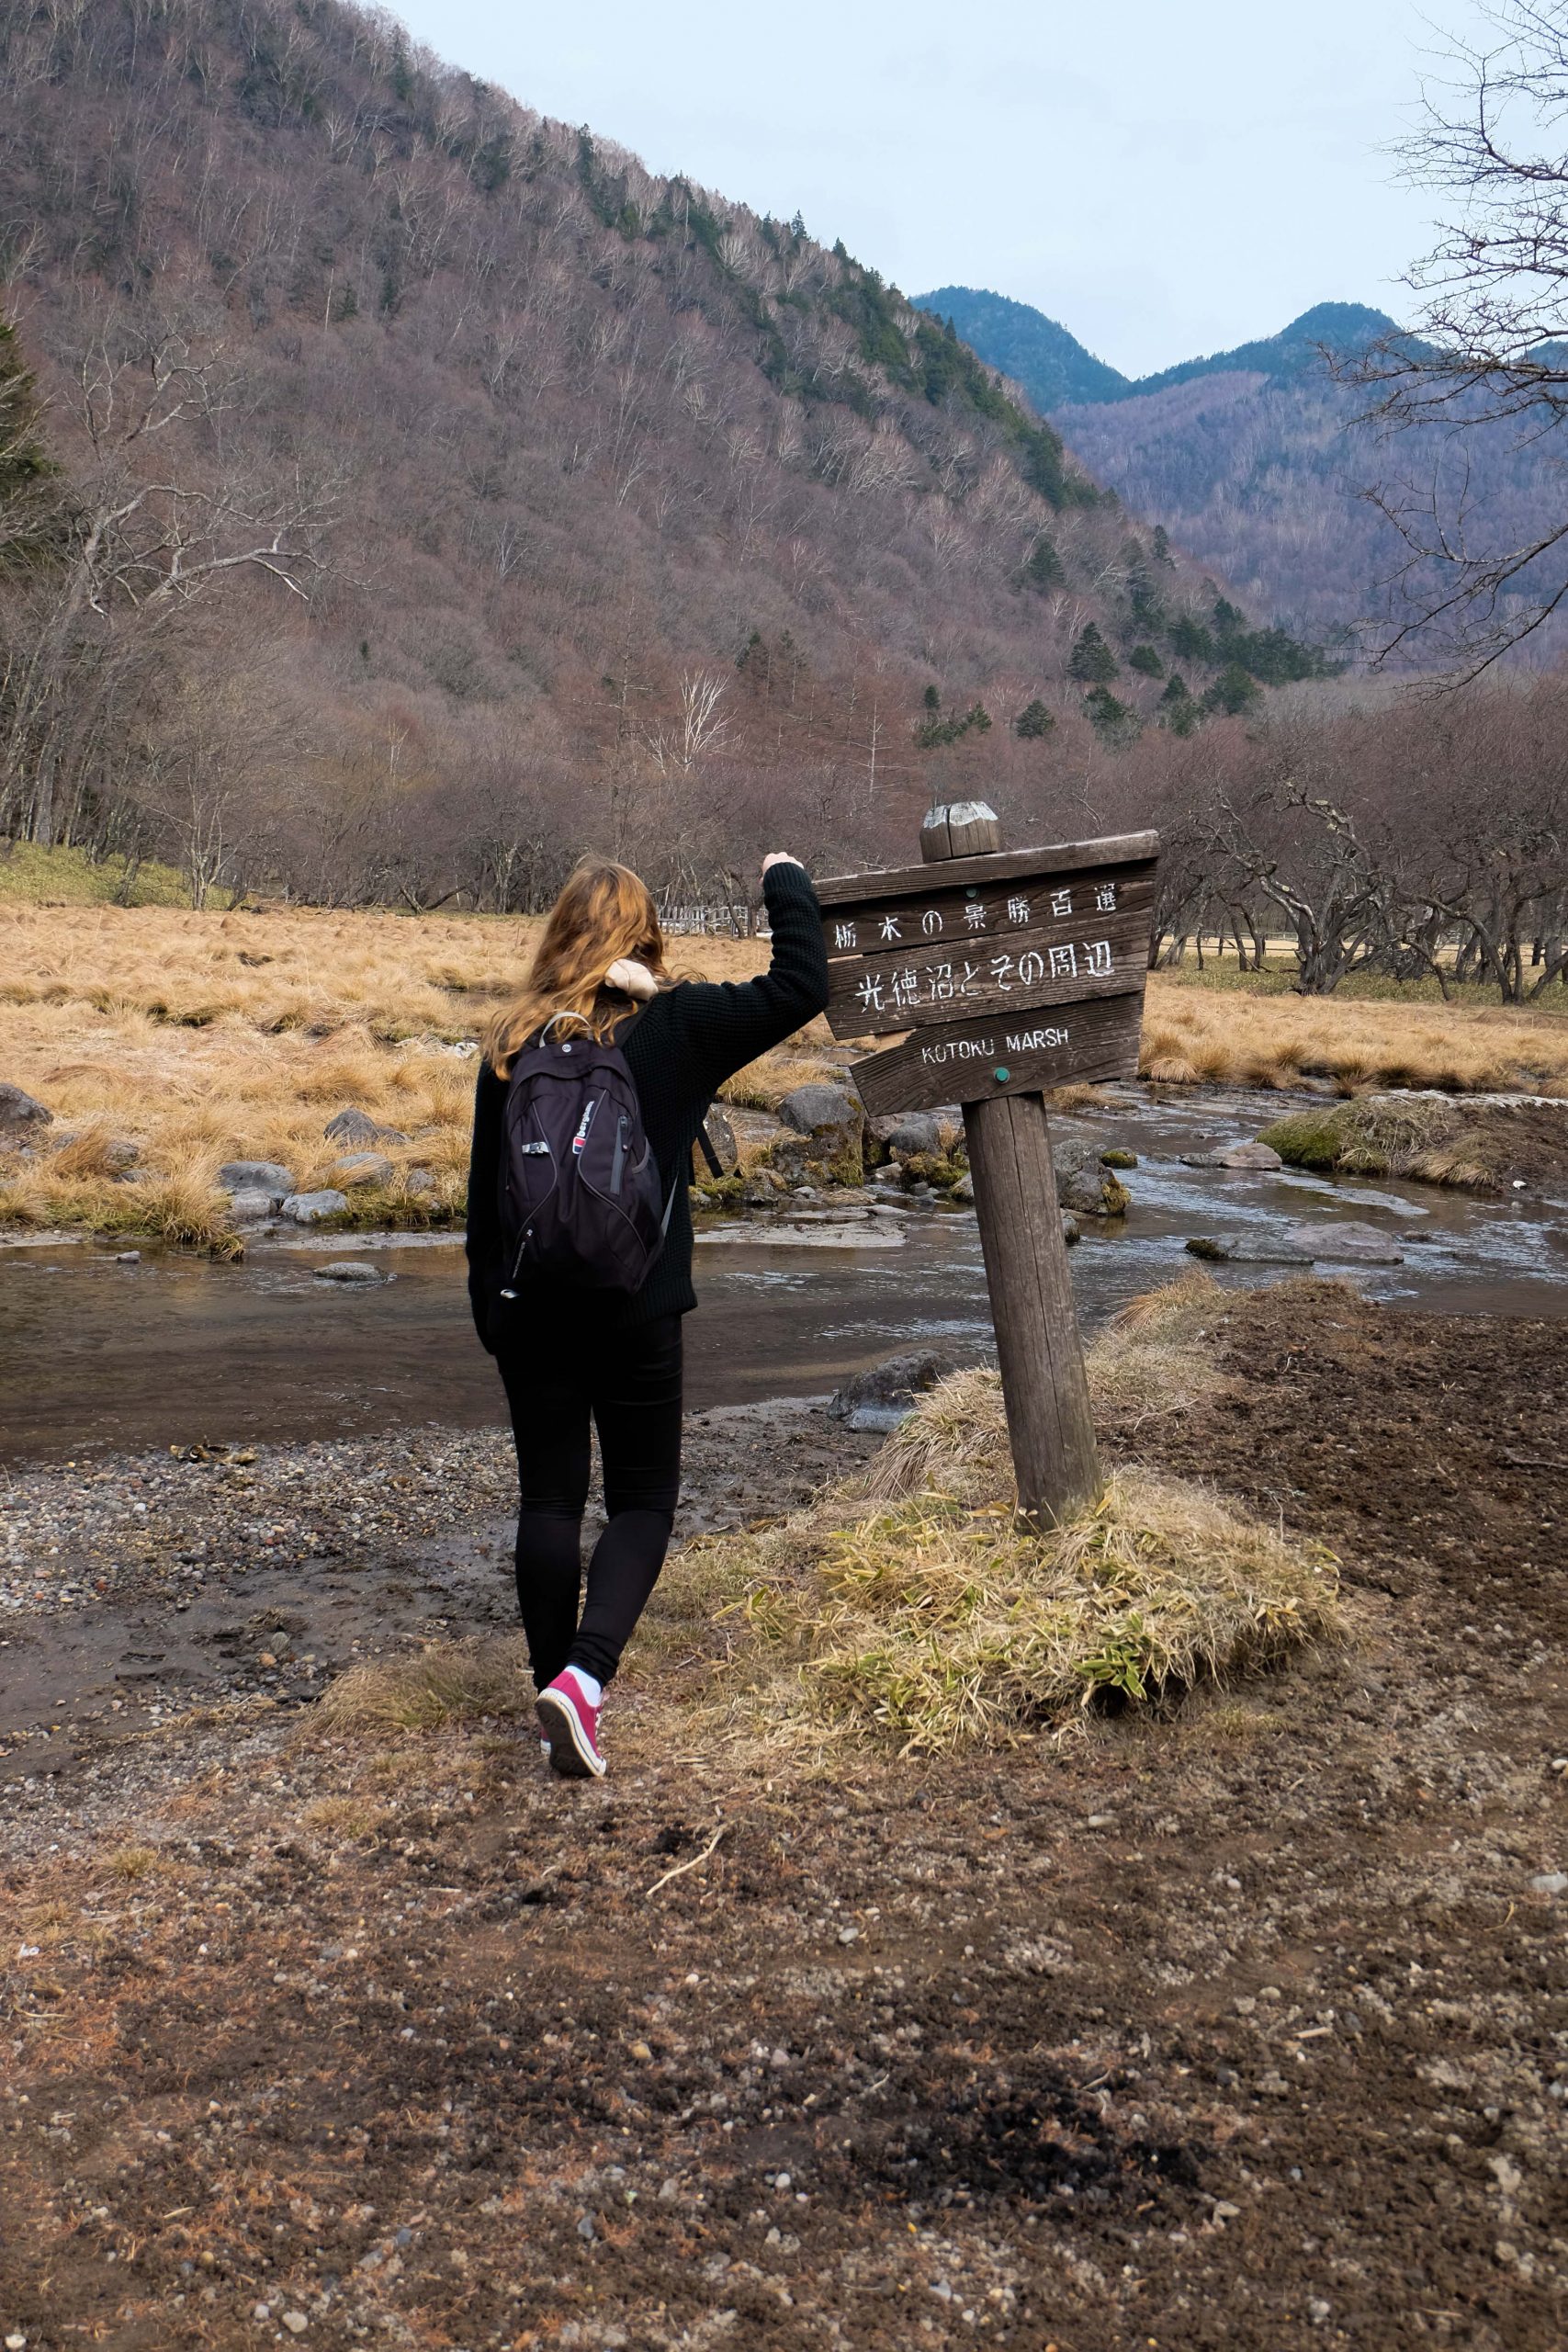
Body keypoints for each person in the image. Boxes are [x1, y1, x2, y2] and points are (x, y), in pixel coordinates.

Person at [466, 851, 829, 1780]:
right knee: (642, 1501)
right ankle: (583, 1686)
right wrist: (783, 877)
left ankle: (556, 1689)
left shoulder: (512, 1041)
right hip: (639, 1305)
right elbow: (801, 984)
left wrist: (492, 1315)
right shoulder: (681, 1026)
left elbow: (484, 1203)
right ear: (647, 936)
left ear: (560, 931)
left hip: (531, 1307)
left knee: (549, 1499)